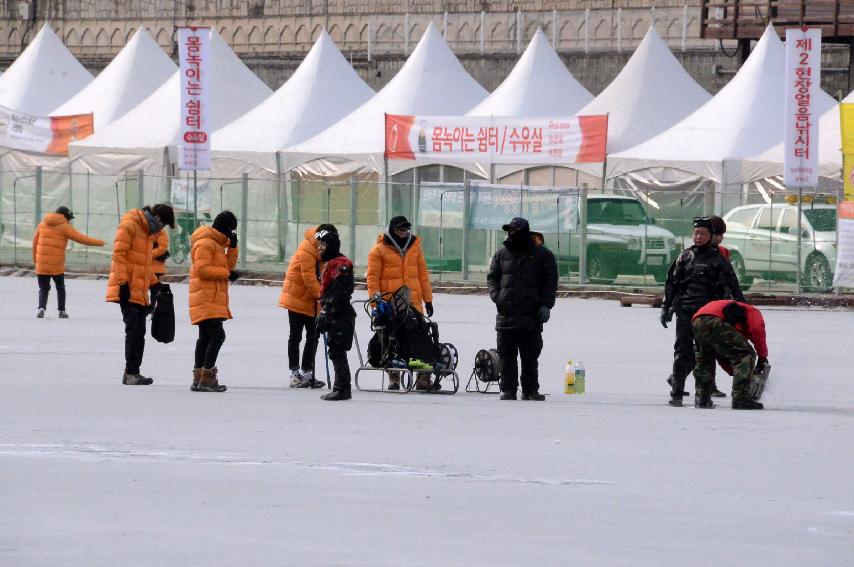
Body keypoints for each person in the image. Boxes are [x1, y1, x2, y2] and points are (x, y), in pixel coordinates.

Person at [660, 216, 745, 407]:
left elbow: (733, 284)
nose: (698, 237)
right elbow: (671, 283)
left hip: (707, 315)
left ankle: (703, 396)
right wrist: (666, 306)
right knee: (682, 352)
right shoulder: (685, 256)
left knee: (705, 353)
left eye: (702, 234)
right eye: (696, 233)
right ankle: (677, 393)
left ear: (710, 236)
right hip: (685, 311)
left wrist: (742, 308)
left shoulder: (718, 260)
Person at [487, 217, 558, 401]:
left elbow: (550, 282)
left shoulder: (543, 255)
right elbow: (492, 278)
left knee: (530, 356)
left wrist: (546, 304)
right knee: (506, 356)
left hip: (531, 315)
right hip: (506, 314)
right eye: (510, 230)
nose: (511, 234)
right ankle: (508, 390)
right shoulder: (501, 255)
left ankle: (530, 390)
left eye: (515, 230)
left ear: (525, 231)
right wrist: (497, 297)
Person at [106, 203, 175, 385]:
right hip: (127, 286)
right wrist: (122, 283)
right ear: (158, 218)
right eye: (164, 224)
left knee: (139, 331)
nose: (163, 228)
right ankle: (131, 373)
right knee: (134, 330)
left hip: (138, 287)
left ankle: (132, 372)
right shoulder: (130, 225)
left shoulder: (147, 232)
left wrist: (155, 284)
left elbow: (142, 265)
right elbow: (119, 255)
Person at [366, 215, 434, 390]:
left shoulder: (415, 248)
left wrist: (428, 300)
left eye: (405, 229)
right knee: (391, 341)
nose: (403, 232)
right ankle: (394, 376)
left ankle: (423, 377)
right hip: (390, 305)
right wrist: (375, 304)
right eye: (400, 229)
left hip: (414, 304)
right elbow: (373, 279)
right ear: (392, 230)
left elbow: (423, 275)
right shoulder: (378, 250)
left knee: (420, 339)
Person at [278, 224, 336, 389]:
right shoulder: (306, 250)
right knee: (295, 336)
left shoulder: (324, 252)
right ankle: (295, 374)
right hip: (296, 299)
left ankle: (308, 372)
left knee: (313, 336)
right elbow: (309, 279)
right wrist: (323, 296)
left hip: (313, 301)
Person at [188, 211, 240, 393]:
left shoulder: (217, 244)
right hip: (205, 297)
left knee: (205, 337)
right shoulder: (205, 243)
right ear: (224, 228)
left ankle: (199, 377)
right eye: (230, 232)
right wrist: (227, 275)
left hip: (211, 296)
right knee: (217, 336)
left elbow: (227, 266)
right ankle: (207, 379)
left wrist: (233, 247)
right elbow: (202, 270)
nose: (230, 235)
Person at [691, 300, 768, 410]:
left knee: (705, 359)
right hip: (716, 319)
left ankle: (702, 398)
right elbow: (757, 330)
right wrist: (762, 357)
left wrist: (737, 371)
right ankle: (740, 399)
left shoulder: (734, 323)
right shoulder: (753, 312)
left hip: (697, 320)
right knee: (747, 354)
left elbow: (723, 355)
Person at [32, 206, 105, 318]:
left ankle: (41, 308)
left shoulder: (42, 224)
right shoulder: (65, 227)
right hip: (56, 264)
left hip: (41, 263)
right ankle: (62, 311)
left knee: (43, 288)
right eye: (69, 218)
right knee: (60, 287)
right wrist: (99, 243)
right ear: (65, 216)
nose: (69, 220)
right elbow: (81, 238)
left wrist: (36, 261)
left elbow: (34, 243)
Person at [315, 230, 357, 401]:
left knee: (337, 350)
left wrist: (327, 308)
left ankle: (342, 388)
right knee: (334, 349)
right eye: (318, 245)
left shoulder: (340, 263)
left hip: (340, 312)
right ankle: (340, 386)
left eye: (323, 245)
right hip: (334, 311)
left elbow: (341, 288)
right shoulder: (331, 262)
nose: (320, 249)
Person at [149, 225, 170, 306]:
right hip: (145, 266)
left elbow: (162, 249)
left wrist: (147, 255)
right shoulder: (145, 231)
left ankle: (152, 309)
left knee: (153, 290)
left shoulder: (161, 234)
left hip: (155, 267)